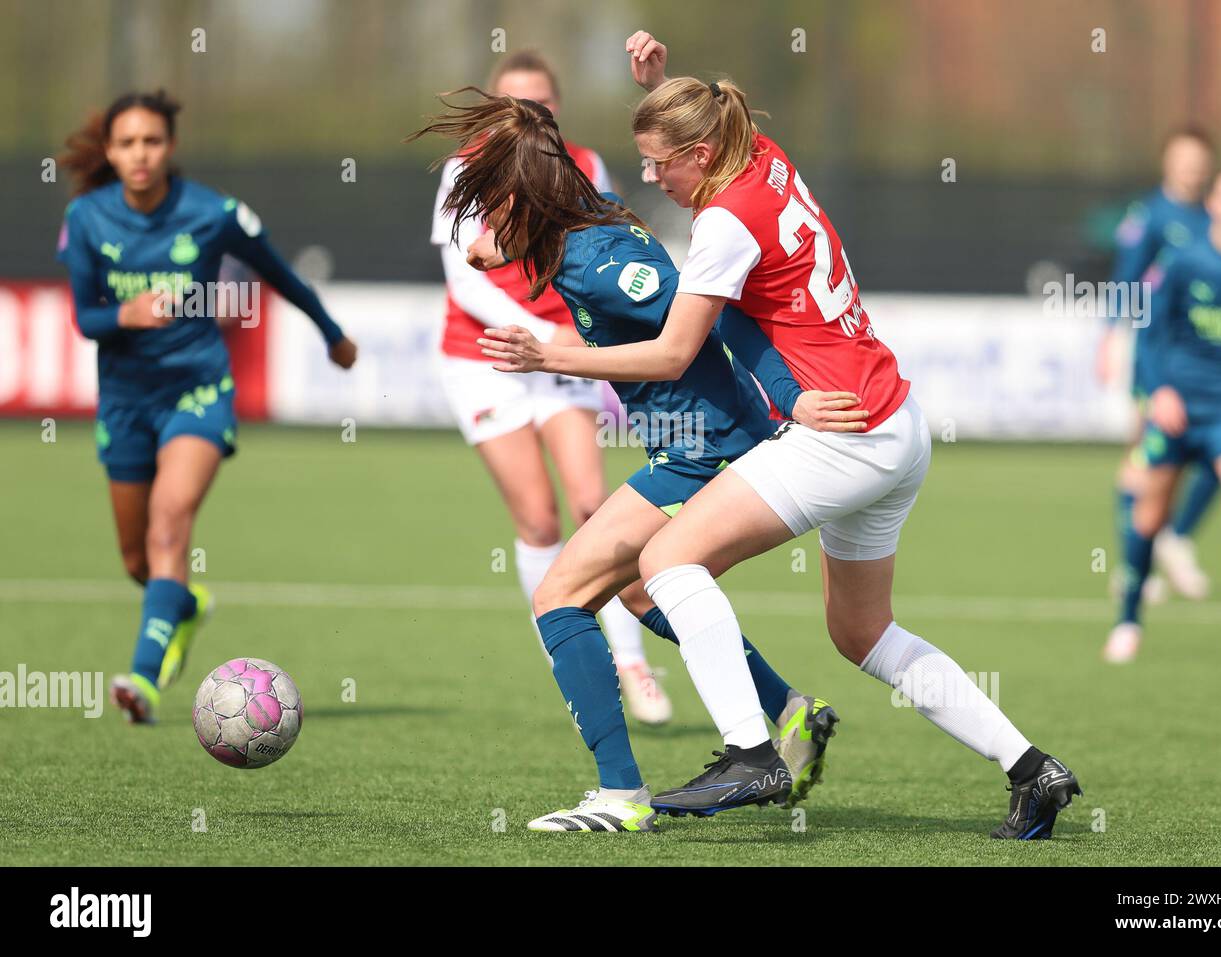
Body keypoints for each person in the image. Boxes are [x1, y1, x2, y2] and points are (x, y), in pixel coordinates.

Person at [479, 32, 1083, 839]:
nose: (650, 178)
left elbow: (673, 350)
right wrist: (661, 86)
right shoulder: (764, 157)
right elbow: (708, 154)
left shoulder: (725, 224)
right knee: (862, 633)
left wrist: (544, 351)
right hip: (894, 422)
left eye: (663, 163)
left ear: (702, 151)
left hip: (842, 434)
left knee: (665, 560)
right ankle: (1031, 768)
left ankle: (751, 751)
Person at [414, 89, 860, 830]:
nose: (484, 225)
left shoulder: (602, 263)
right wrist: (498, 237)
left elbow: (710, 319)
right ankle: (791, 710)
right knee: (642, 594)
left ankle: (621, 795)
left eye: (494, 206)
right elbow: (508, 234)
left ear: (529, 199)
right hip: (692, 444)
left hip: (706, 450)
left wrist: (547, 353)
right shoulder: (579, 222)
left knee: (559, 596)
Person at [56, 90, 357, 723]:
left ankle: (143, 678)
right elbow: (85, 318)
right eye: (129, 143)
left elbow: (282, 275)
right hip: (126, 404)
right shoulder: (85, 218)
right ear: (110, 151)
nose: (141, 154)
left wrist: (332, 334)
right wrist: (125, 315)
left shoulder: (213, 213)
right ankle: (184, 608)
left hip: (199, 392)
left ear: (170, 147)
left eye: (153, 141)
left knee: (171, 525)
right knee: (138, 560)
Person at [428, 50, 670, 724]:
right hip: (484, 355)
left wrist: (562, 344)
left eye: (541, 105)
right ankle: (566, 652)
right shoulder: (465, 170)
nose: (531, 114)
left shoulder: (585, 168)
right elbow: (464, 274)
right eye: (517, 104)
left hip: (559, 354)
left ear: (555, 112)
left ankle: (630, 661)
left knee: (594, 502)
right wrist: (531, 336)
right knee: (537, 517)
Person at [1104, 171, 1221, 666]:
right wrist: (1159, 390)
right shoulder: (1182, 262)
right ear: (1212, 204)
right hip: (1178, 407)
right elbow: (1151, 331)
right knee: (1148, 516)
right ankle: (1128, 619)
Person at [1097, 128, 1216, 604]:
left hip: (1204, 356)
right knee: (1146, 455)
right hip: (1158, 352)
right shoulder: (1149, 215)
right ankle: (1133, 567)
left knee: (1212, 452)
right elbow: (1125, 279)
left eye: (1198, 160)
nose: (1191, 168)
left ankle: (1173, 538)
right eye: (1182, 158)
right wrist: (1108, 337)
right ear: (1168, 162)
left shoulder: (1213, 217)